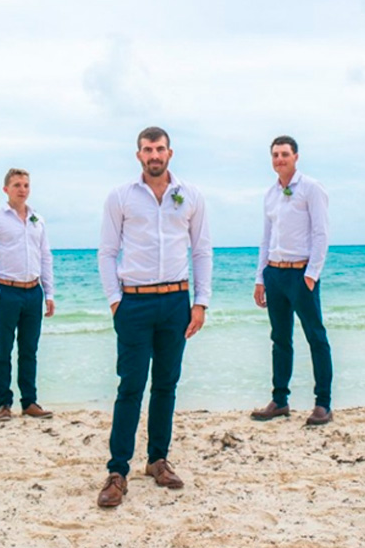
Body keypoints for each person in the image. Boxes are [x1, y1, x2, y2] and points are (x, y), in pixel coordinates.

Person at [97, 126, 212, 507]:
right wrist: (115, 301)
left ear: (170, 153)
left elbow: (201, 251)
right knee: (130, 386)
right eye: (147, 150)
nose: (154, 155)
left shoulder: (191, 195)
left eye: (159, 149)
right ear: (139, 156)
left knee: (166, 384)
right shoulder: (121, 197)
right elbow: (106, 252)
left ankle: (158, 460)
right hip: (134, 303)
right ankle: (118, 471)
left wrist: (201, 302)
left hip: (176, 302)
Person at [251, 136, 333, 426]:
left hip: (301, 275)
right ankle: (280, 401)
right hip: (274, 274)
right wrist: (260, 278)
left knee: (316, 337)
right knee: (280, 339)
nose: (279, 159)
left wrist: (311, 275)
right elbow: (266, 238)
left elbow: (321, 233)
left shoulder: (311, 188)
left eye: (284, 154)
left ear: (296, 157)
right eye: (275, 154)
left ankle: (323, 404)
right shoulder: (270, 194)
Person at [0, 168, 55, 422]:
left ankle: (29, 402)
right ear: (6, 189)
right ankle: (4, 404)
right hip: (6, 292)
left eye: (26, 185)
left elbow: (45, 256)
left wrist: (49, 293)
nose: (22, 189)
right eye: (17, 185)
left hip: (33, 292)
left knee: (29, 350)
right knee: (3, 350)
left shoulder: (37, 219)